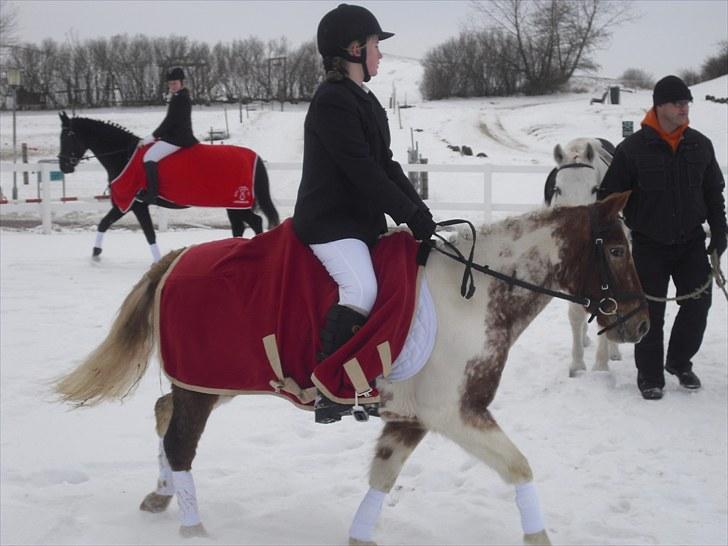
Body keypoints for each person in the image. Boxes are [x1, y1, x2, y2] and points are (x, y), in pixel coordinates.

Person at [292, 3, 436, 423]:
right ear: (355, 49)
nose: (380, 54)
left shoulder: (364, 100)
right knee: (362, 291)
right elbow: (361, 172)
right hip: (330, 223)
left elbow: (386, 163)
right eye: (376, 45)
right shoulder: (332, 101)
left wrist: (419, 211)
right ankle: (330, 388)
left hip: (359, 222)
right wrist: (407, 213)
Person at [598, 75, 727, 400]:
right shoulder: (632, 150)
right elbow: (607, 199)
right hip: (648, 245)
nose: (685, 108)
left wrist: (721, 232)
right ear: (660, 107)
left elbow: (714, 194)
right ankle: (650, 374)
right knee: (649, 313)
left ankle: (679, 361)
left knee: (698, 305)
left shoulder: (700, 145)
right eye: (678, 103)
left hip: (691, 243)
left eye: (687, 103)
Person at [138, 67, 198, 203]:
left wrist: (152, 137)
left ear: (182, 83)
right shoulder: (178, 96)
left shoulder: (180, 98)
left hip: (178, 139)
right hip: (174, 136)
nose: (172, 86)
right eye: (170, 84)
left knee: (149, 157)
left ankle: (153, 194)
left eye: (175, 83)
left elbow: (170, 121)